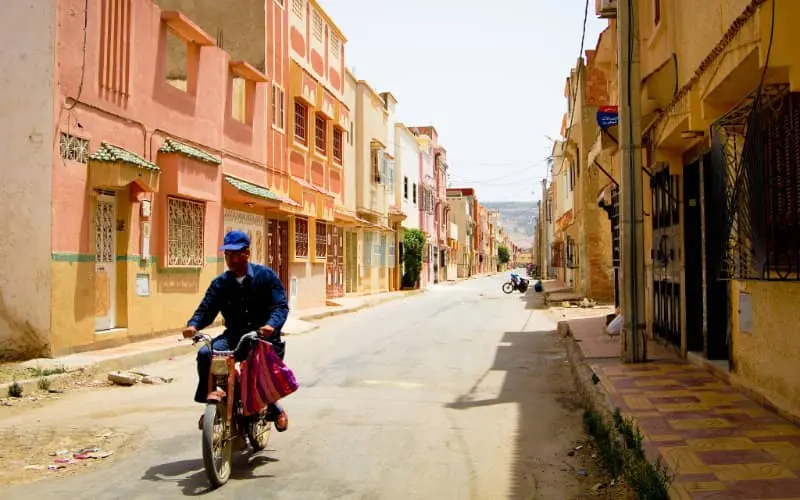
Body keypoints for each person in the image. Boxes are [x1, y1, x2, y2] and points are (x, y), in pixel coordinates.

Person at [182, 230, 290, 432]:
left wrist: (271, 325)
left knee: (258, 370)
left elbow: (280, 307)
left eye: (234, 254)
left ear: (246, 253)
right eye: (227, 255)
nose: (229, 259)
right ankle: (213, 404)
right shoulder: (220, 283)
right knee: (206, 354)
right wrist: (193, 325)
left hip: (261, 337)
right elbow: (206, 309)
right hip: (235, 335)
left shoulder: (266, 277)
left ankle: (275, 408)